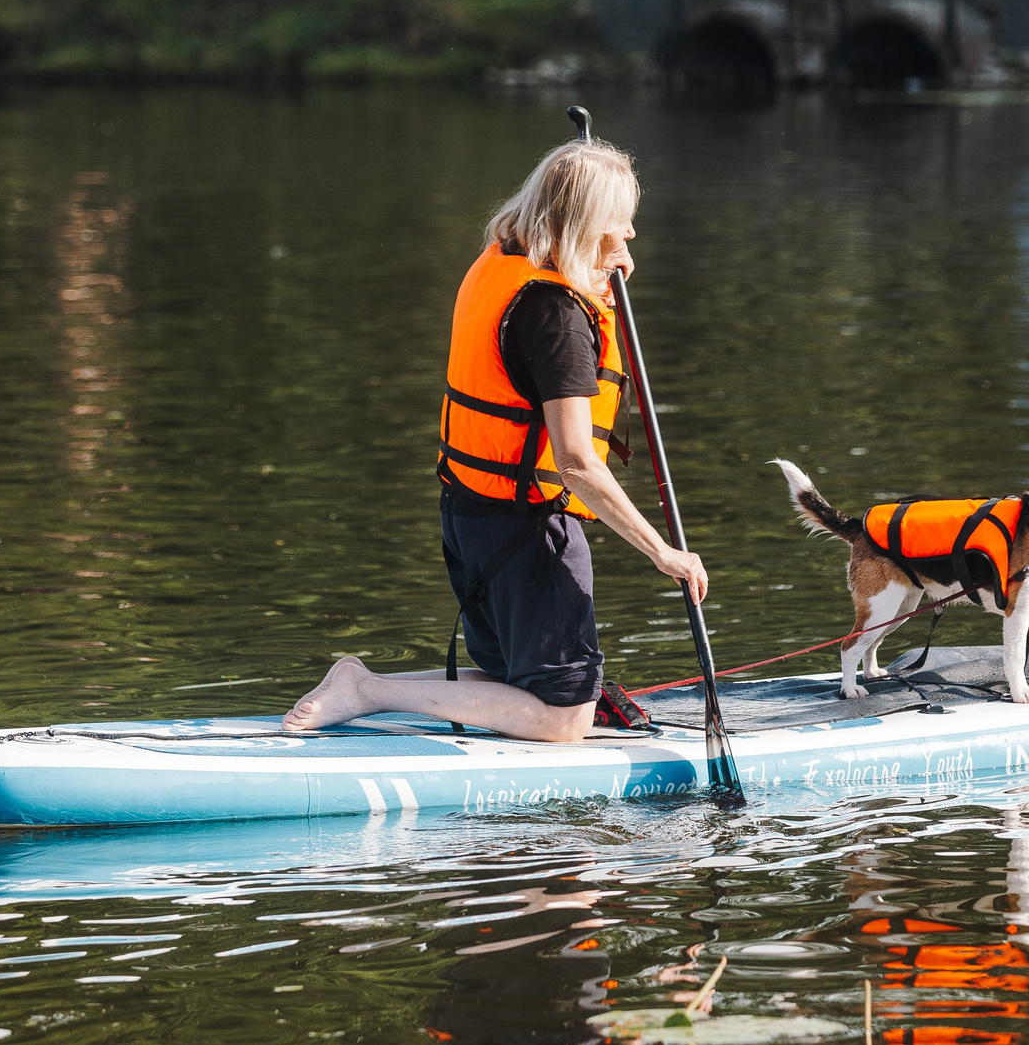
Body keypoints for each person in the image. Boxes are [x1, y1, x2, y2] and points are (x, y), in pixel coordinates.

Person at [282, 137, 709, 743]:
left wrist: (595, 277)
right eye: (622, 223)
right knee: (564, 718)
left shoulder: (504, 264)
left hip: (470, 516)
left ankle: (361, 688)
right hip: (527, 529)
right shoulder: (557, 317)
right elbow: (576, 462)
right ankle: (367, 690)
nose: (631, 237)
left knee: (517, 680)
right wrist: (663, 552)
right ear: (587, 223)